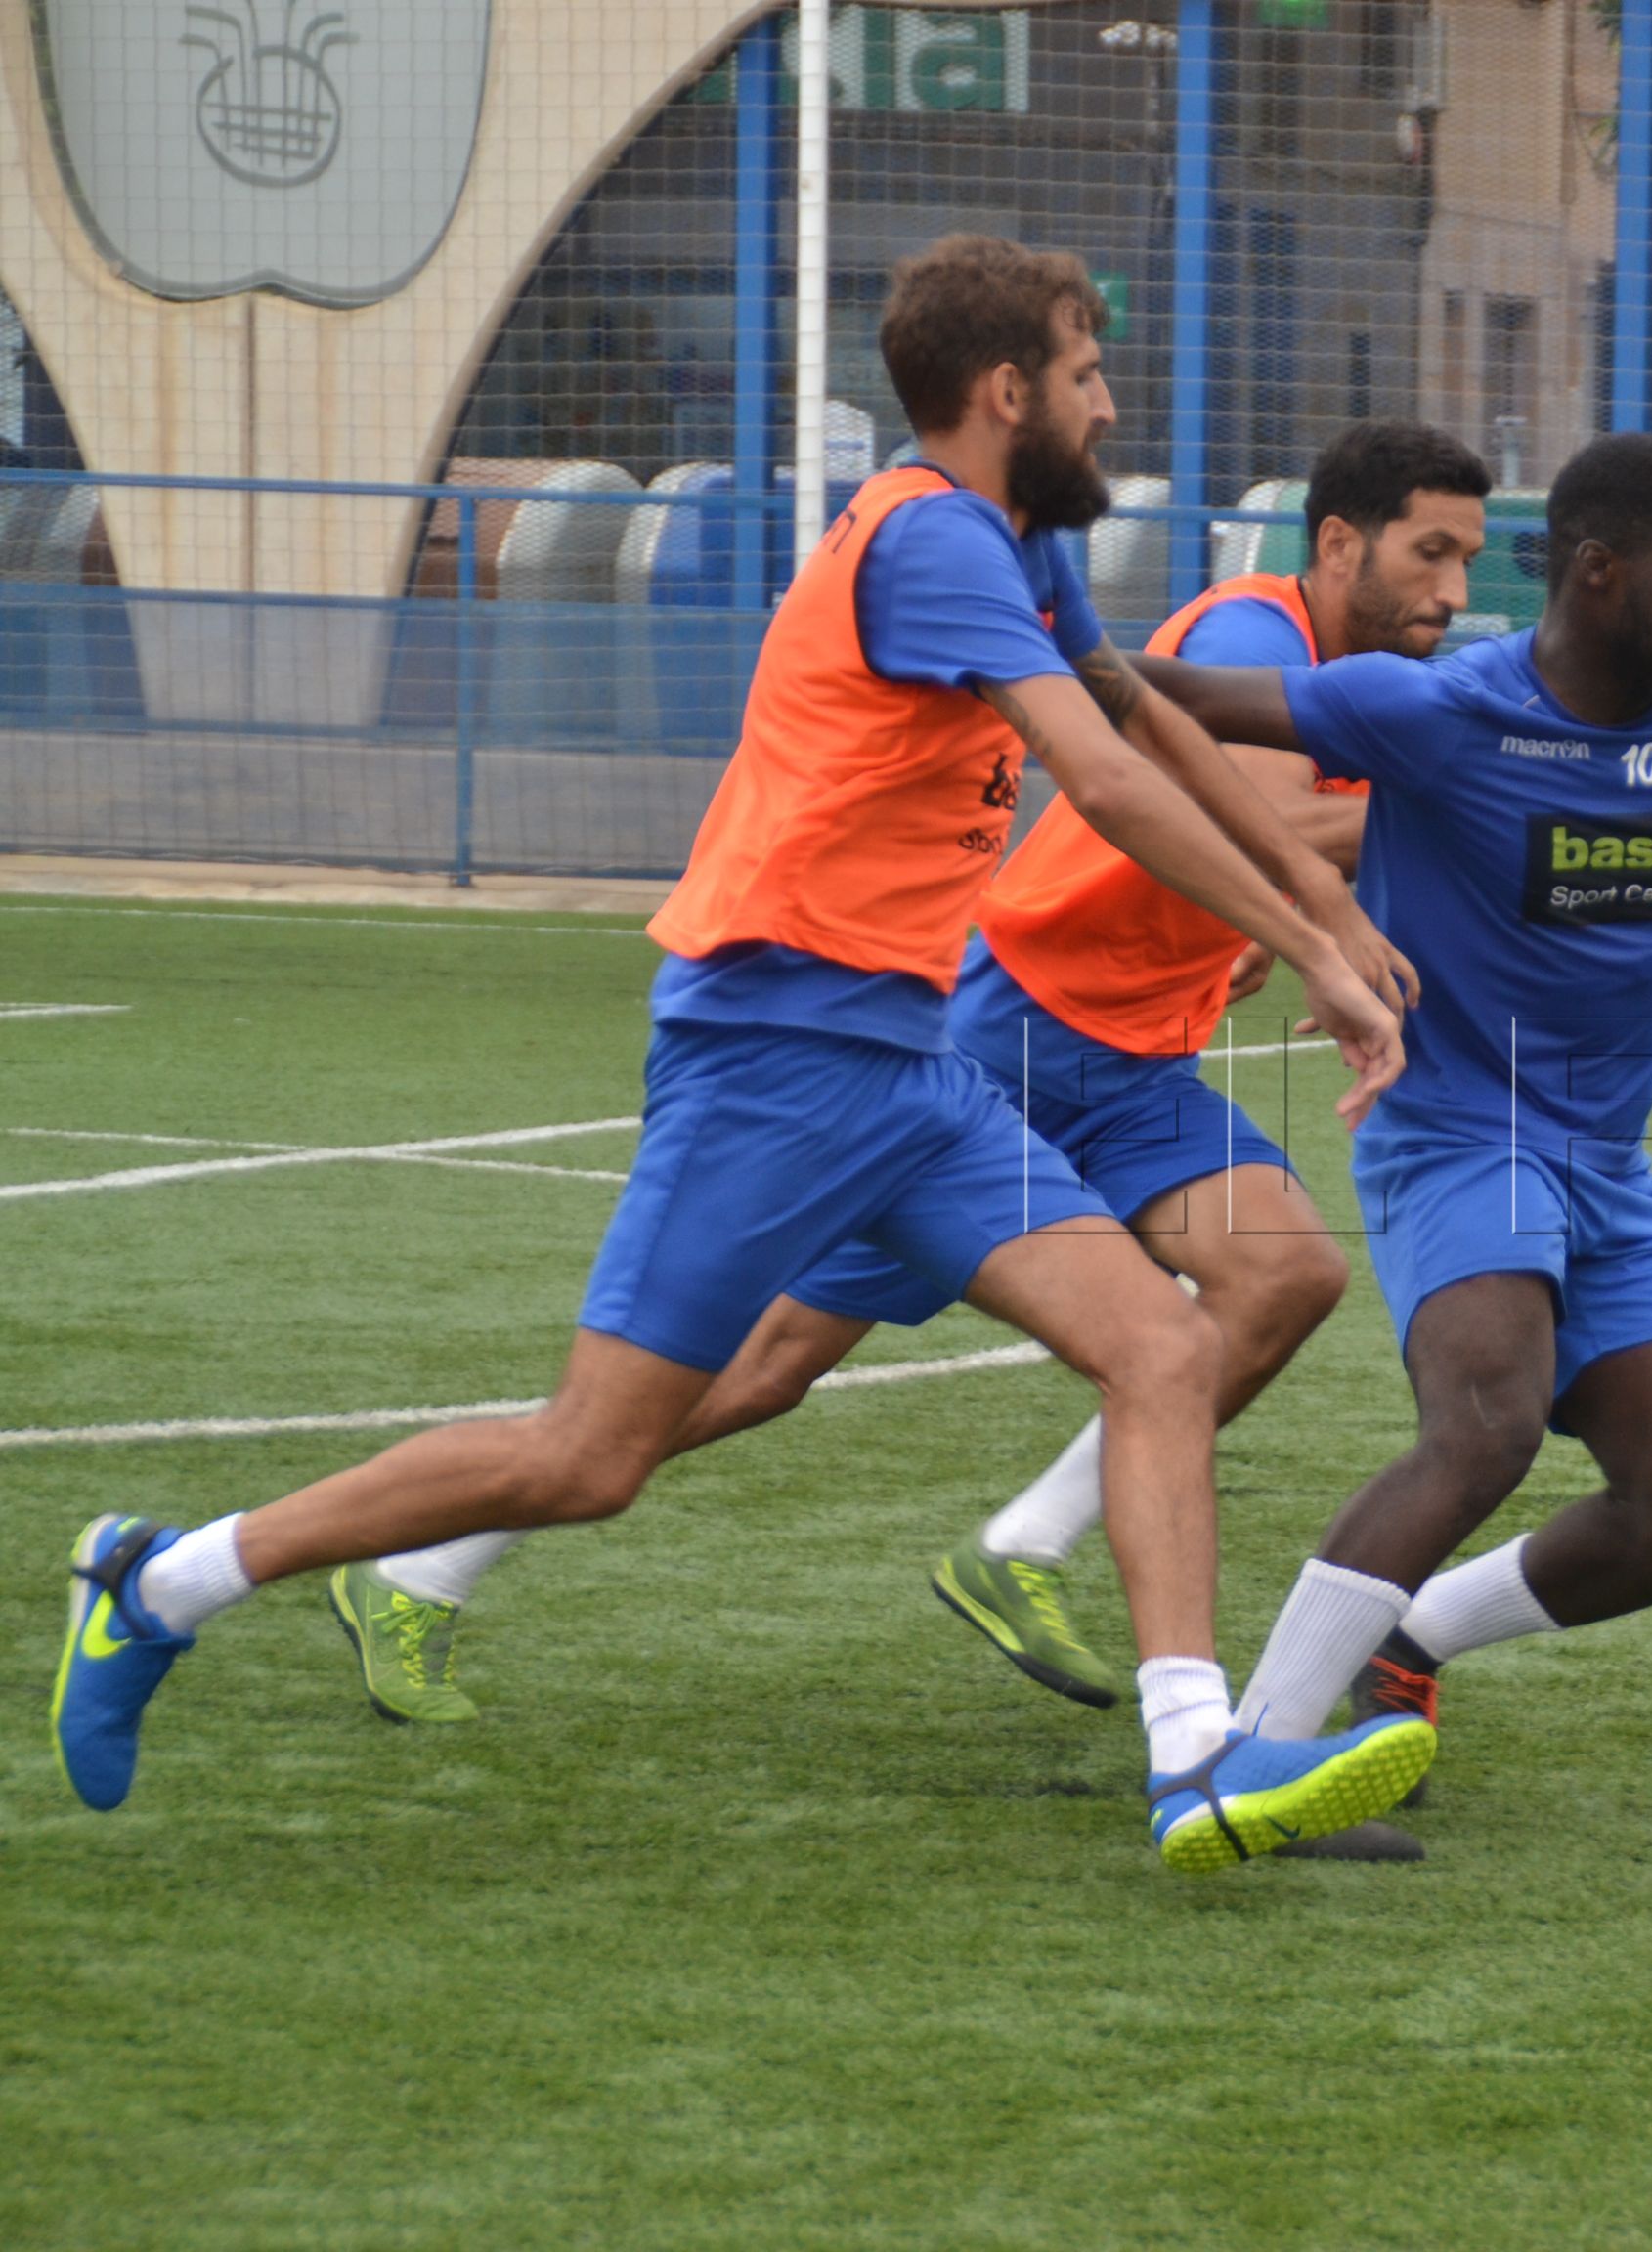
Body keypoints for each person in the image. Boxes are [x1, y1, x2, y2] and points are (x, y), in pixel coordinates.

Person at [55, 236, 1433, 1873]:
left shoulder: (1014, 543)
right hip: (773, 1054)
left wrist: (1330, 928)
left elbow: (1147, 720)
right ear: (1008, 392)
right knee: (591, 1454)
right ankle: (161, 1576)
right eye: (1084, 373)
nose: (1108, 400)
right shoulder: (929, 543)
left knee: (1163, 1347)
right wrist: (1316, 944)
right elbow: (1108, 786)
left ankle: (1195, 1755)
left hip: (913, 1068)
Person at [326, 422, 1495, 1788]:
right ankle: (425, 1562)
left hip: (1126, 1063)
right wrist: (1484, 803)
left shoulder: (1369, 684)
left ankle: (1021, 1550)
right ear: (1341, 544)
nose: (1456, 592)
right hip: (1010, 1033)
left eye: (1471, 560)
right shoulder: (1253, 627)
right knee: (762, 1368)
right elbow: (1272, 826)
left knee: (1283, 1273)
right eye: (1433, 552)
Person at [1121, 433, 1652, 1835]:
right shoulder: (1433, 713)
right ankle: (1238, 1761)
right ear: (1599, 578)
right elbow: (1158, 697)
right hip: (1461, 1131)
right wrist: (1008, 640)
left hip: (1610, 1160)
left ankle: (1410, 1646)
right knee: (1485, 1425)